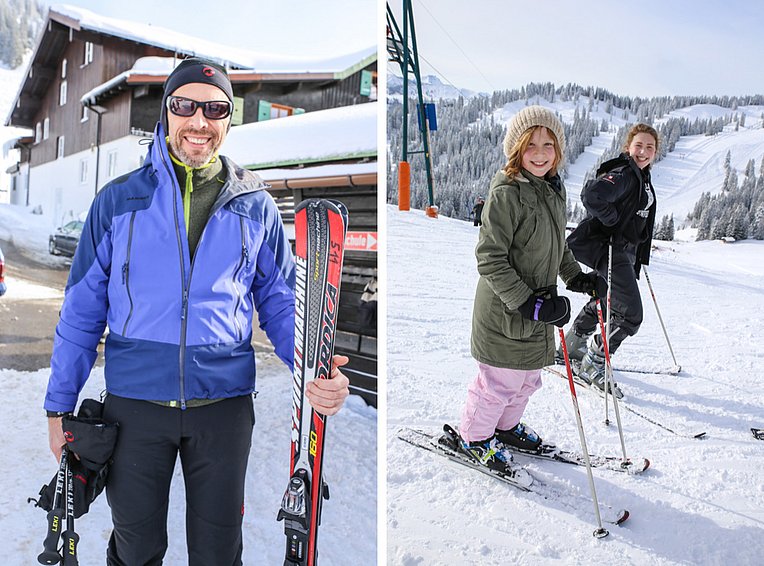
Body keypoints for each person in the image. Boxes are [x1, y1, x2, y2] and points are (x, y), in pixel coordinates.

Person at [43, 57, 350, 566]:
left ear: (229, 120)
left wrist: (314, 372)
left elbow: (279, 305)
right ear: (166, 112)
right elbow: (80, 314)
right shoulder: (118, 202)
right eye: (185, 105)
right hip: (135, 407)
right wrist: (58, 409)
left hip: (223, 410)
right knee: (136, 547)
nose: (199, 121)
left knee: (218, 549)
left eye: (215, 108)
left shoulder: (254, 204)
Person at [458, 106, 596, 471]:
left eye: (548, 144)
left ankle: (504, 428)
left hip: (538, 311)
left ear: (558, 151)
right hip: (506, 312)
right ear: (516, 148)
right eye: (531, 144)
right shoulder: (507, 193)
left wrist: (575, 276)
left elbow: (557, 243)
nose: (539, 152)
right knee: (499, 382)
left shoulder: (552, 188)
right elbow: (489, 258)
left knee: (526, 380)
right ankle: (475, 437)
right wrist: (526, 304)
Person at [562, 123, 659, 394]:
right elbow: (592, 195)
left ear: (655, 152)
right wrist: (613, 222)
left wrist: (637, 251)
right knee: (630, 316)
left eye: (649, 147)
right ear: (628, 147)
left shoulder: (642, 176)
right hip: (612, 249)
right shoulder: (626, 172)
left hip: (624, 251)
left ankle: (573, 345)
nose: (643, 151)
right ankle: (594, 361)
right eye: (638, 145)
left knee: (606, 300)